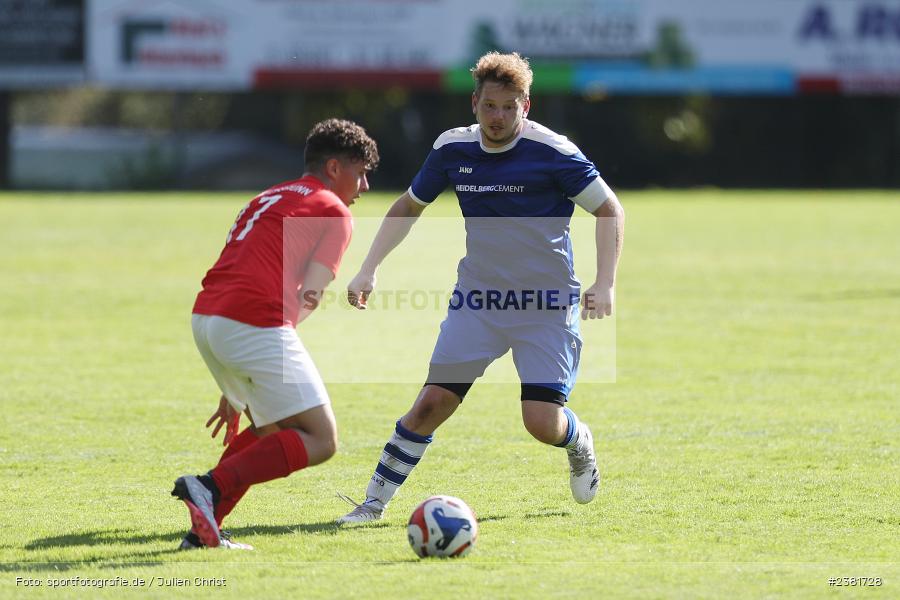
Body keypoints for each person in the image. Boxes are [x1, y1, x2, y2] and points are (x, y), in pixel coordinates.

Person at [337, 52, 624, 524]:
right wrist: (369, 267)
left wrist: (605, 282)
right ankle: (372, 504)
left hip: (546, 306)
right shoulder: (452, 150)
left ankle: (577, 440)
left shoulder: (555, 152)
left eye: (509, 107)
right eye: (490, 106)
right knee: (431, 403)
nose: (499, 117)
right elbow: (410, 206)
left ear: (525, 106)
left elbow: (610, 209)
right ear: (475, 103)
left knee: (541, 422)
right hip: (479, 301)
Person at [172, 119, 379, 549]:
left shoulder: (267, 195)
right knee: (320, 439)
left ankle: (203, 531)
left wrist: (238, 377)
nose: (364, 186)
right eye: (360, 173)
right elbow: (311, 294)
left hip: (207, 318)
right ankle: (208, 488)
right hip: (253, 321)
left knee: (273, 432)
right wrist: (255, 350)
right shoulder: (333, 209)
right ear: (335, 167)